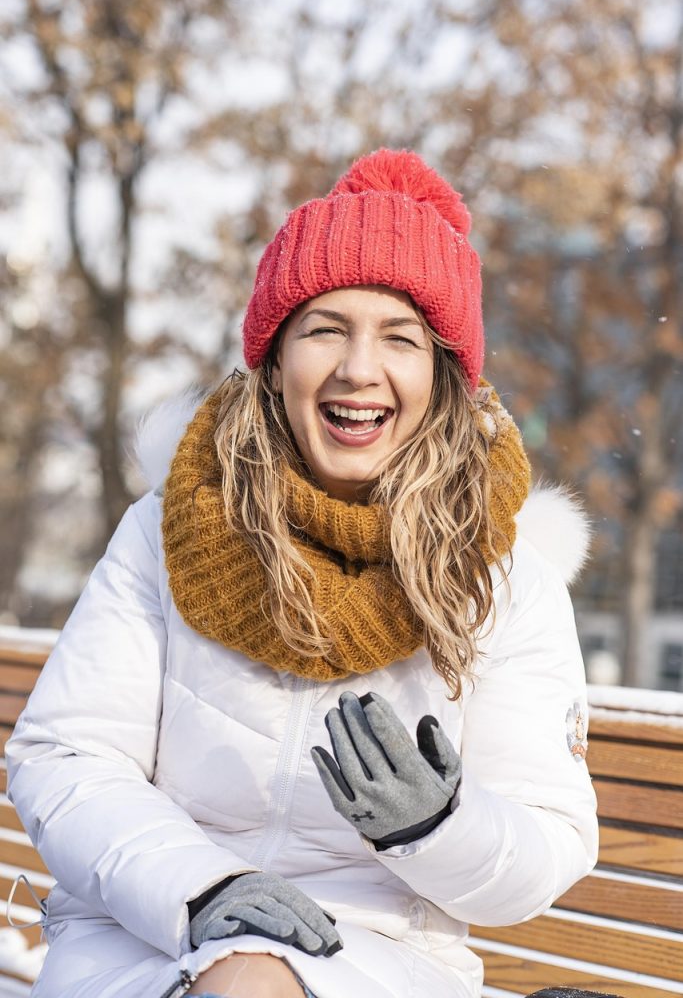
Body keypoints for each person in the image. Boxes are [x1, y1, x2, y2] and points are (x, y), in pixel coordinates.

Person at [6, 149, 598, 998]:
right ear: (275, 359)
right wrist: (203, 890)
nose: (359, 369)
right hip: (151, 932)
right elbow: (68, 754)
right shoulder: (168, 529)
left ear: (440, 378)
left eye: (399, 338)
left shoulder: (501, 579)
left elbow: (542, 849)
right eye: (326, 329)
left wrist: (439, 825)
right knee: (247, 974)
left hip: (387, 959)